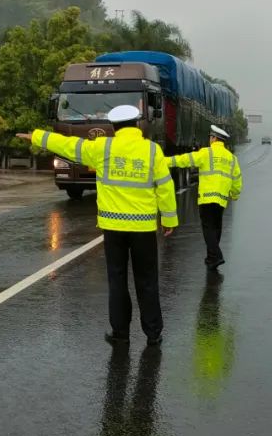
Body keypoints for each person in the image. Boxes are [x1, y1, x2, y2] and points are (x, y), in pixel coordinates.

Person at [19, 105, 178, 346]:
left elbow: (69, 145)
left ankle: (121, 334)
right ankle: (153, 333)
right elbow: (165, 186)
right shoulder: (152, 151)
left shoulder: (103, 148)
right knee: (147, 281)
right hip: (143, 229)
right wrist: (169, 219)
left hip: (113, 228)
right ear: (136, 125)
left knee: (117, 280)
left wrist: (38, 136)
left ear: (114, 127)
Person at [167, 125, 243, 270]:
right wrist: (235, 194)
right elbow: (237, 178)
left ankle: (216, 255)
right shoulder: (231, 158)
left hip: (206, 198)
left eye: (210, 137)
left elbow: (185, 159)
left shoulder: (205, 153)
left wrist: (164, 161)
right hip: (221, 199)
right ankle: (211, 258)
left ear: (214, 139)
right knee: (216, 227)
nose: (209, 140)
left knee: (208, 228)